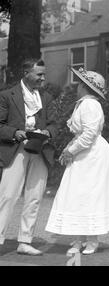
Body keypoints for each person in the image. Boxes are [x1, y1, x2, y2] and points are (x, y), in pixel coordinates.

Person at [45, 67, 109, 255]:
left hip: (92, 156)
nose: (77, 87)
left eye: (79, 84)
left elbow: (90, 133)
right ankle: (79, 238)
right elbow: (82, 133)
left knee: (90, 194)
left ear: (85, 87)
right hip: (85, 154)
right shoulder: (84, 104)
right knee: (77, 194)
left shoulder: (90, 105)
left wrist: (72, 150)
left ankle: (92, 239)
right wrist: (69, 149)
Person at [0, 59, 58, 256]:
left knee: (34, 198)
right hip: (17, 150)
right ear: (26, 73)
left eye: (44, 74)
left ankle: (25, 241)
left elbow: (54, 124)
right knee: (7, 195)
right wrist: (15, 132)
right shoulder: (7, 96)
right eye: (39, 74)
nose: (43, 78)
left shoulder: (46, 97)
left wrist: (47, 132)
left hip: (40, 149)